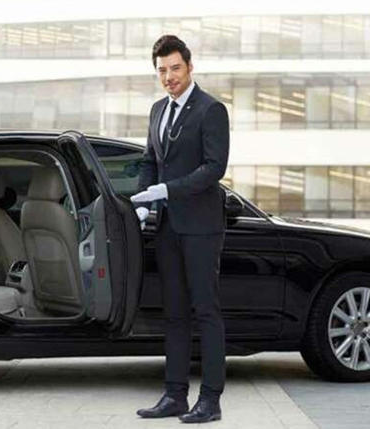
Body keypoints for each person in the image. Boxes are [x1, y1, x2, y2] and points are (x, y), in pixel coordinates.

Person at [131, 35, 229, 424]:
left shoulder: (211, 109)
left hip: (202, 226)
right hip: (168, 226)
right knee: (173, 313)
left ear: (189, 67)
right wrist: (144, 201)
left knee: (206, 311)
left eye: (175, 68)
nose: (169, 76)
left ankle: (211, 400)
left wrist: (168, 189)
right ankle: (174, 395)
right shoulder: (158, 110)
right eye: (162, 70)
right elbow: (149, 161)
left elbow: (214, 168)